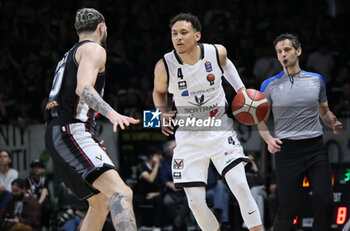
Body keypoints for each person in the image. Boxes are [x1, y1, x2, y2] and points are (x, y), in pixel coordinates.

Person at [152, 13, 263, 231]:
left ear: (197, 35)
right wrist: (162, 112)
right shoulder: (164, 65)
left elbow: (227, 65)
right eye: (174, 34)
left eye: (184, 33)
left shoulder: (216, 52)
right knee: (195, 202)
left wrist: (241, 90)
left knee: (240, 185)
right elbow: (158, 92)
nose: (178, 38)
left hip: (219, 129)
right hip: (188, 135)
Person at [44, 8, 139, 231]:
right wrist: (112, 113)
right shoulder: (94, 49)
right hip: (72, 131)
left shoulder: (68, 55)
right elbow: (83, 88)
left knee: (100, 202)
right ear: (101, 28)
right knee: (121, 192)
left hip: (59, 132)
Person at [257, 33, 343, 231]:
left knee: (325, 201)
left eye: (286, 50)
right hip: (287, 152)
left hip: (315, 148)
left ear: (298, 51)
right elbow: (260, 121)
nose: (283, 55)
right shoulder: (268, 85)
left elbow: (325, 112)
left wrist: (333, 122)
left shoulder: (316, 80)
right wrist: (269, 139)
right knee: (288, 209)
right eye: (279, 52)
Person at [159, 140, 190, 231]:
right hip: (173, 191)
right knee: (167, 201)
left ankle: (177, 224)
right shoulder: (166, 163)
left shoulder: (186, 160)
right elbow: (163, 178)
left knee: (191, 201)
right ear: (170, 152)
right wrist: (171, 185)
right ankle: (181, 223)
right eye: (175, 148)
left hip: (185, 191)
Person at [133, 146, 164, 230]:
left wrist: (154, 194)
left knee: (160, 200)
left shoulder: (160, 168)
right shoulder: (141, 167)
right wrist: (156, 165)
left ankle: (156, 226)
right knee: (133, 200)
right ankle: (136, 225)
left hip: (153, 194)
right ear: (151, 156)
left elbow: (162, 186)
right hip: (142, 194)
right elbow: (150, 179)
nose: (160, 157)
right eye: (158, 155)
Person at [25, 159, 52, 230]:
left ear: (43, 170)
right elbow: (28, 192)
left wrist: (39, 203)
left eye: (39, 167)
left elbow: (44, 192)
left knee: (46, 208)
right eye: (34, 167)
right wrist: (34, 203)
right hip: (32, 201)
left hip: (42, 202)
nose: (36, 169)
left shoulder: (44, 180)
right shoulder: (28, 180)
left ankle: (45, 226)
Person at [245, 153, 267, 229]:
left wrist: (256, 171)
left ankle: (248, 220)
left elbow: (263, 185)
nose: (250, 162)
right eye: (249, 160)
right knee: (259, 199)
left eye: (252, 160)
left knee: (254, 190)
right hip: (255, 195)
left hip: (262, 192)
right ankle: (261, 227)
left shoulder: (257, 172)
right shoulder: (244, 172)